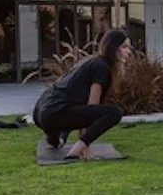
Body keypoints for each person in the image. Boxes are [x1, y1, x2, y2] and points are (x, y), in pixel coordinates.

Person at [33, 29, 131, 160]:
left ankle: (56, 139)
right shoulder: (102, 68)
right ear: (113, 47)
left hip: (41, 112)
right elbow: (91, 108)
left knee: (71, 107)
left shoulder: (91, 60)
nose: (128, 51)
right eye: (124, 47)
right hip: (54, 113)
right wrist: (85, 147)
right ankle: (74, 151)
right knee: (114, 112)